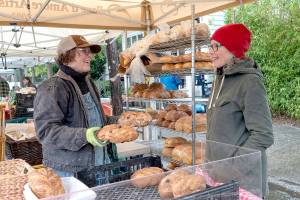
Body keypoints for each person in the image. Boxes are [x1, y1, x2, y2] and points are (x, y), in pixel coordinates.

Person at [34, 35, 118, 177]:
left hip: (99, 164)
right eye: (83, 51)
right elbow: (46, 132)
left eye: (89, 51)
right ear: (67, 55)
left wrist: (119, 122)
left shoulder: (89, 82)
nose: (89, 56)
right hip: (70, 171)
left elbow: (95, 122)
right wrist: (84, 135)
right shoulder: (52, 87)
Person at [206, 24, 274, 198]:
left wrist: (233, 166)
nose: (211, 51)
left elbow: (263, 134)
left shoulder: (250, 81)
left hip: (243, 183)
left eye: (216, 46)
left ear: (233, 48)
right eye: (210, 46)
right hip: (218, 178)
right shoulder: (219, 80)